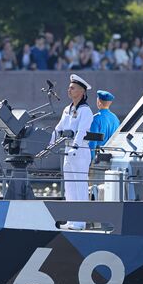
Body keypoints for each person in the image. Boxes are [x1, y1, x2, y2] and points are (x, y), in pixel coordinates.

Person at [51, 74, 94, 230]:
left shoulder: (85, 110)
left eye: (73, 87)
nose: (69, 89)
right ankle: (71, 219)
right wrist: (50, 143)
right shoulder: (67, 109)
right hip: (67, 150)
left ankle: (80, 221)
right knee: (69, 185)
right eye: (69, 87)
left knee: (80, 185)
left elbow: (82, 130)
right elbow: (59, 128)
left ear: (82, 91)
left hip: (80, 150)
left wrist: (75, 146)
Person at [89, 90, 121, 160]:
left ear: (99, 102)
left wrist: (92, 159)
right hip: (113, 155)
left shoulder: (95, 118)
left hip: (99, 156)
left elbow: (92, 142)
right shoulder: (115, 118)